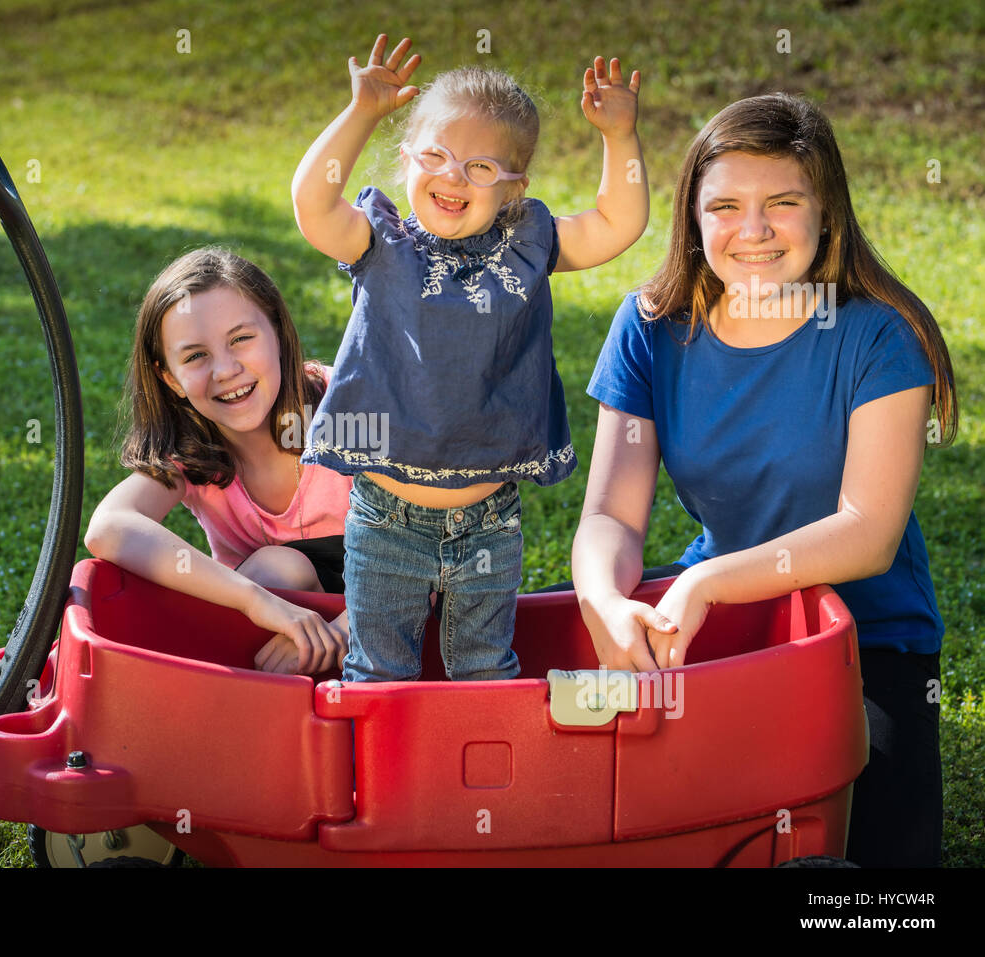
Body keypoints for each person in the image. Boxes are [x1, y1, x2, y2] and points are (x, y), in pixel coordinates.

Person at [572, 93, 957, 867]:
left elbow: (868, 531)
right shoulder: (651, 326)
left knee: (879, 864)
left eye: (782, 202)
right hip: (718, 617)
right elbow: (612, 511)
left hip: (870, 633)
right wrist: (605, 600)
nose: (752, 231)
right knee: (617, 797)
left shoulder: (880, 335)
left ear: (826, 212)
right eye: (726, 206)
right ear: (693, 217)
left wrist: (711, 579)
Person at [291, 35, 648, 682]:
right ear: (407, 160)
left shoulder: (528, 241)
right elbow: (312, 203)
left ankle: (481, 782)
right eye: (437, 156)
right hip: (385, 517)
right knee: (378, 672)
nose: (454, 176)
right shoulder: (380, 241)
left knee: (486, 668)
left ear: (515, 188)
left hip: (489, 519)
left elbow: (616, 223)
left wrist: (619, 137)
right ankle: (388, 783)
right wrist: (361, 112)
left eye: (482, 168)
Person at [85, 247, 353, 676]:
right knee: (277, 568)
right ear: (170, 378)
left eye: (241, 339)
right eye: (195, 356)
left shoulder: (349, 406)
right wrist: (256, 600)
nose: (225, 369)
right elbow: (109, 527)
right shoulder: (191, 450)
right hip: (280, 635)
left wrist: (348, 630)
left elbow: (436, 538)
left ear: (279, 334)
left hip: (403, 606)